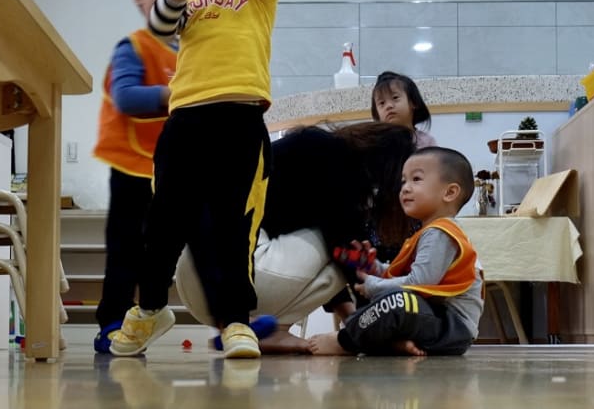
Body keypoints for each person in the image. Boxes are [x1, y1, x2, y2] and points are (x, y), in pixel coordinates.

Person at [109, 0, 278, 360]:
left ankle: (236, 321)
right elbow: (162, 23)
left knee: (233, 228)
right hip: (184, 124)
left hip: (240, 120)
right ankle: (150, 308)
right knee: (162, 226)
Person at [174, 121, 418, 353]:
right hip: (235, 278)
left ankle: (265, 331)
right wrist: (366, 329)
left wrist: (352, 320)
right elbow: (344, 257)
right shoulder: (337, 164)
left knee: (345, 249)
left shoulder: (315, 147)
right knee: (352, 252)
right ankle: (273, 332)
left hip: (196, 281)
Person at [91, 0, 186, 354]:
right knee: (126, 250)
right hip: (131, 168)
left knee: (175, 253)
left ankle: (226, 318)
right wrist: (175, 93)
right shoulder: (133, 47)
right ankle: (112, 321)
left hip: (172, 172)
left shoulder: (189, 53)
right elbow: (127, 97)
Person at [308, 146, 484, 356]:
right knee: (394, 300)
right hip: (433, 319)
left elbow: (419, 282)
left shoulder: (441, 233)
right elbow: (405, 276)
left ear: (450, 192)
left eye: (416, 179)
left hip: (452, 327)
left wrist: (374, 285)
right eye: (403, 181)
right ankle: (393, 344)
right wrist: (376, 268)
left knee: (396, 302)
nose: (405, 188)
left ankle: (345, 341)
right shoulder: (428, 233)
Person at [371, 71, 437, 148]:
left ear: (413, 102)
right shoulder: (376, 145)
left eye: (395, 98)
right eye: (382, 103)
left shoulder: (427, 142)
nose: (388, 106)